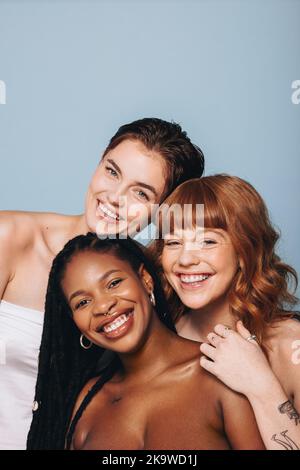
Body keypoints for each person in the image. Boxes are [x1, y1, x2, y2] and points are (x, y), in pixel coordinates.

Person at [0, 117, 205, 449]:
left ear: (162, 210)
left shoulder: (151, 287)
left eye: (141, 192)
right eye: (112, 171)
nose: (115, 197)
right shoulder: (9, 238)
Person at [27, 233, 264, 450]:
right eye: (82, 303)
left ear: (146, 279)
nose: (102, 306)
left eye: (113, 283)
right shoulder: (86, 403)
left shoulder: (220, 372)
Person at [149, 174, 300, 450]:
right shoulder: (159, 336)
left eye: (207, 241)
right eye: (172, 242)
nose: (185, 259)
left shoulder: (290, 345)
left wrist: (260, 383)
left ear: (245, 252)